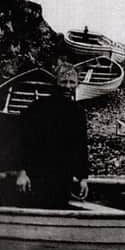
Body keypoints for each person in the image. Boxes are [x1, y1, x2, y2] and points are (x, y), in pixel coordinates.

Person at [16, 62, 89, 208]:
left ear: (77, 84)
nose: (68, 86)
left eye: (72, 82)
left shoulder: (78, 113)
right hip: (36, 176)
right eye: (63, 82)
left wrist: (83, 178)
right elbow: (22, 141)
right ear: (55, 83)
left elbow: (81, 146)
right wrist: (21, 172)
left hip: (63, 178)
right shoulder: (37, 107)